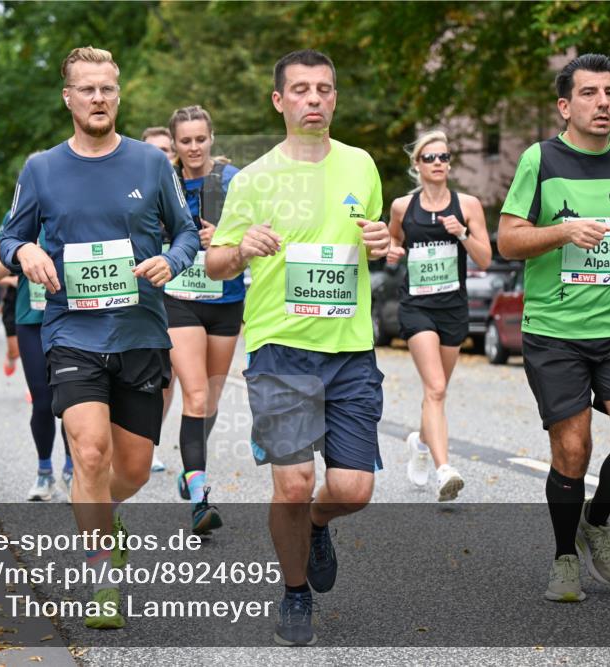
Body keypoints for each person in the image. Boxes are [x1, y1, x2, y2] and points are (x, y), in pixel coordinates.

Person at [0, 46, 199, 630]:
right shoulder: (41, 168)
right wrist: (27, 249)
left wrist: (172, 260)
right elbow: (8, 240)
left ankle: (104, 517)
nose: (98, 98)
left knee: (132, 469)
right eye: (86, 89)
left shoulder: (149, 164)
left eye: (107, 89)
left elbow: (185, 233)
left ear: (119, 94)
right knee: (88, 450)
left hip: (140, 332)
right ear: (68, 97)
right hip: (72, 331)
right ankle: (101, 574)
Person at [206, 49, 390, 646]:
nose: (315, 99)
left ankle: (316, 524)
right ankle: (294, 593)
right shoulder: (254, 179)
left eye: (325, 89)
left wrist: (383, 242)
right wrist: (241, 249)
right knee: (290, 483)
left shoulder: (362, 166)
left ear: (335, 98)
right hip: (280, 349)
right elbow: (214, 264)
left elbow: (374, 242)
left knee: (352, 491)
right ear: (279, 101)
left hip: (350, 349)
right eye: (302, 90)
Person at [497, 53, 610, 603]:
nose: (604, 103)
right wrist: (563, 232)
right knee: (572, 451)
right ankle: (565, 554)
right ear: (565, 106)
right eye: (590, 94)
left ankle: (598, 519)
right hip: (556, 330)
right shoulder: (539, 160)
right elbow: (508, 239)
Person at [386, 130, 491, 501]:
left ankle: (419, 442)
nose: (438, 163)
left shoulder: (468, 205)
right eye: (430, 158)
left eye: (444, 157)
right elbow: (393, 239)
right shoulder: (403, 206)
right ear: (417, 165)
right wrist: (393, 252)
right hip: (416, 308)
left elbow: (485, 258)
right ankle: (444, 469)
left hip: (452, 308)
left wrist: (461, 232)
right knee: (436, 388)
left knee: (436, 391)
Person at [162, 105, 243, 534]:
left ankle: (191, 468)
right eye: (185, 140)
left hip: (226, 298)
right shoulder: (166, 182)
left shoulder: (233, 181)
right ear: (174, 144)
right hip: (180, 298)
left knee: (210, 400)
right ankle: (200, 498)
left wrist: (226, 237)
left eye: (200, 139)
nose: (193, 147)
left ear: (211, 138)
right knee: (194, 395)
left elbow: (261, 230)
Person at [0, 206, 75, 501]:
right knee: (42, 400)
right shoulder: (17, 216)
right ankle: (44, 473)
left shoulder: (75, 205)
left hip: (73, 317)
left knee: (74, 400)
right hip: (32, 319)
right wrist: (23, 254)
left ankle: (72, 469)